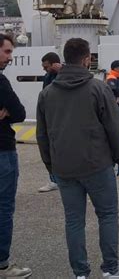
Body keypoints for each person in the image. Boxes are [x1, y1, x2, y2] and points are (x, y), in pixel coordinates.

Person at [36, 38, 119, 279]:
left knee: (74, 221)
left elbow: (42, 135)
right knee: (107, 215)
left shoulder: (47, 94)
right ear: (87, 58)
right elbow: (113, 127)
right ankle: (110, 270)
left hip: (65, 168)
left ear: (65, 58)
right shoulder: (98, 88)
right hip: (98, 165)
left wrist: (51, 166)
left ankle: (80, 273)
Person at [0, 34, 32, 279]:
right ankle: (2, 264)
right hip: (3, 150)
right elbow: (20, 113)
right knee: (3, 208)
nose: (11, 57)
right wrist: (8, 113)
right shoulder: (1, 82)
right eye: (8, 52)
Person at [37, 52, 62, 193]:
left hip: (62, 119)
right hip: (49, 118)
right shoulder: (48, 77)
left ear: (55, 64)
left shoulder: (64, 75)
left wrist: (63, 71)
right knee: (49, 150)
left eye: (46, 67)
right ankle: (54, 180)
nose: (44, 69)